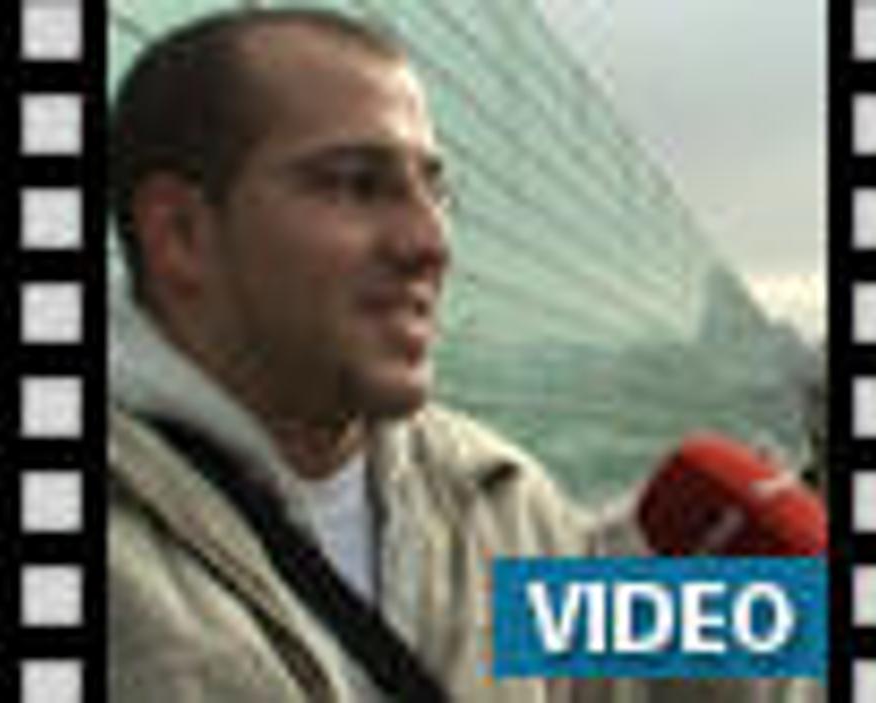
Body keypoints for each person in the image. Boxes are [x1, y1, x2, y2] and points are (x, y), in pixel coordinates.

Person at [108, 8, 822, 702]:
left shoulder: (497, 497)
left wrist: (757, 629)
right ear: (181, 234)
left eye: (434, 189)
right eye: (357, 184)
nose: (430, 244)